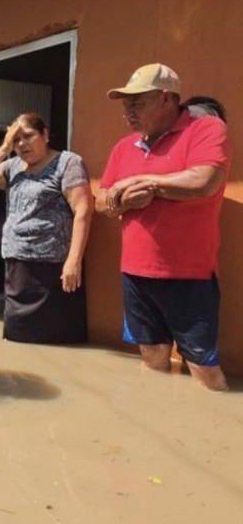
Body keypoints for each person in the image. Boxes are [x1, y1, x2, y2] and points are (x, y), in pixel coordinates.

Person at [96, 63, 230, 391]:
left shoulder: (205, 129)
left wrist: (147, 183)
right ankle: (159, 414)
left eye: (137, 102)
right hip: (135, 272)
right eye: (126, 104)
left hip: (188, 274)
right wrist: (124, 202)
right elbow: (101, 199)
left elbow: (205, 181)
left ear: (167, 99)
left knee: (203, 368)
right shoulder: (123, 147)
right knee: (151, 357)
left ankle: (214, 422)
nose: (127, 112)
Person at [0, 113, 93, 343]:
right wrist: (4, 148)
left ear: (45, 135)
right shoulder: (12, 167)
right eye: (16, 139)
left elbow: (83, 211)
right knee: (17, 336)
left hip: (54, 267)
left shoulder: (67, 163)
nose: (22, 144)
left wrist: (74, 261)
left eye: (28, 136)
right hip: (18, 266)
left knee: (56, 339)